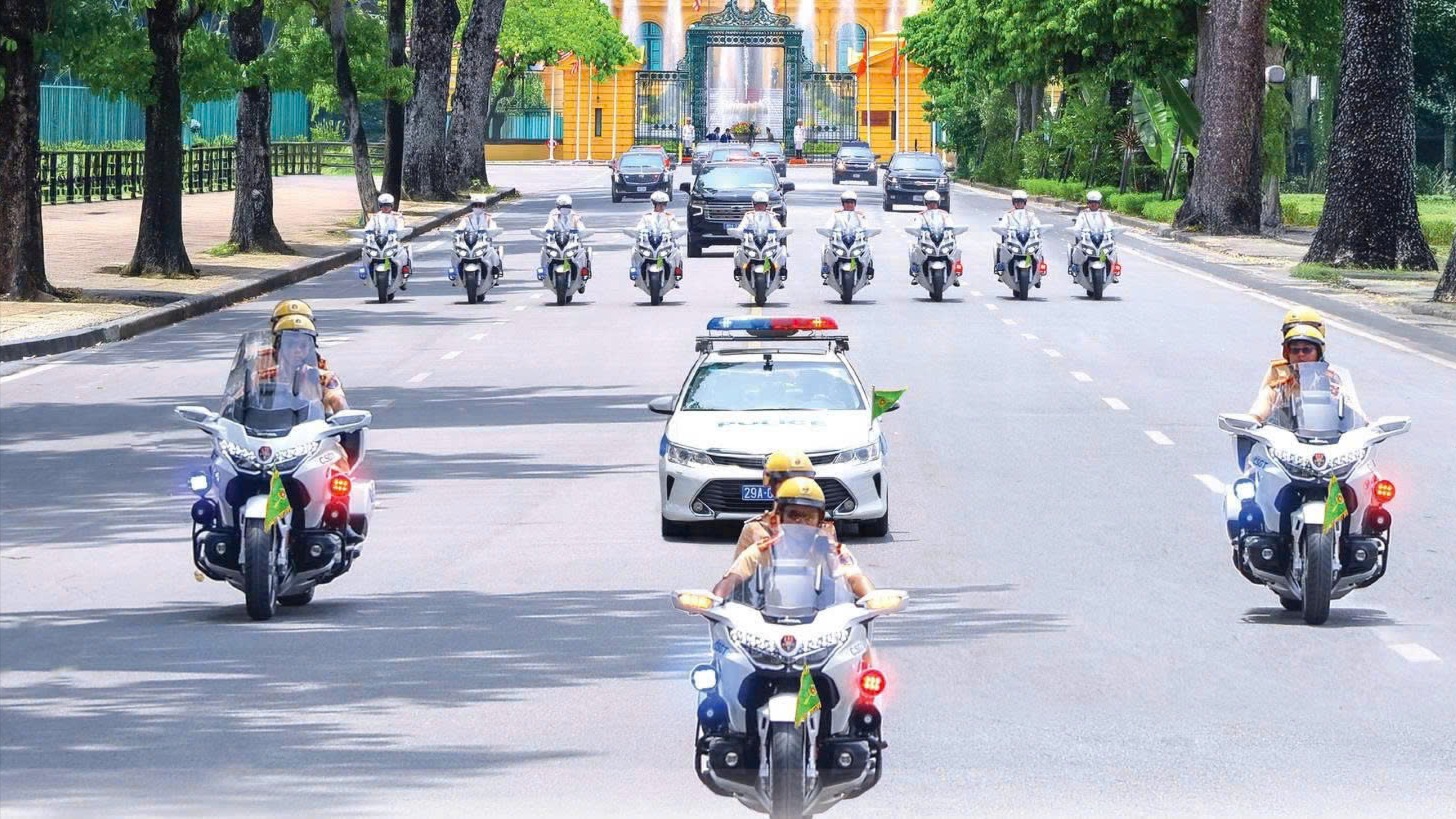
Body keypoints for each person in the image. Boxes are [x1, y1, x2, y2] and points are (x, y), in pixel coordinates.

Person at [711, 478, 874, 600]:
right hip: (766, 623)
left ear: (819, 521)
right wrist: (715, 600)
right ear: (780, 518)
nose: (801, 522)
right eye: (794, 515)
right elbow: (733, 578)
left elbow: (855, 578)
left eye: (809, 516)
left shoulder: (832, 549)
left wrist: (872, 598)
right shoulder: (763, 548)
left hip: (823, 625)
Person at [732, 450, 835, 558]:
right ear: (770, 483)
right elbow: (742, 567)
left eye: (803, 481)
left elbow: (835, 565)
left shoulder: (824, 530)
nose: (795, 486)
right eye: (786, 481)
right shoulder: (755, 529)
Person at [260, 314, 348, 415]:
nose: (297, 350)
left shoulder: (324, 378)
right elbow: (245, 404)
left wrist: (345, 416)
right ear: (279, 347)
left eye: (303, 345)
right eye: (290, 345)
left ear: (310, 349)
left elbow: (338, 400)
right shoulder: (262, 378)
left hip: (314, 425)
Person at [540, 194, 593, 292]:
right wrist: (544, 233)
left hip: (572, 242)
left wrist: (583, 232)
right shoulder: (553, 216)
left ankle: (584, 274)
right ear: (558, 207)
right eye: (562, 207)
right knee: (544, 251)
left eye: (567, 207)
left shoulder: (575, 216)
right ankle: (544, 273)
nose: (565, 209)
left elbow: (581, 228)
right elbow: (548, 227)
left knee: (583, 253)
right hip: (557, 242)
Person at [821, 189, 873, 281]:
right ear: (843, 204)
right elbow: (828, 225)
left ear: (855, 204)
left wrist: (868, 231)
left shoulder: (860, 215)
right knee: (826, 249)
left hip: (854, 243)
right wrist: (827, 231)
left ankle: (869, 269)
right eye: (847, 202)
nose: (849, 204)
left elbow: (866, 227)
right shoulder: (836, 215)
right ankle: (826, 269)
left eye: (852, 202)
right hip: (840, 242)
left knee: (868, 249)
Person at [364, 193, 412, 289]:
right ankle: (366, 276)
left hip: (393, 242)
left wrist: (399, 232)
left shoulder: (397, 216)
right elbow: (368, 228)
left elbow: (400, 227)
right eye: (383, 205)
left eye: (388, 205)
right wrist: (367, 233)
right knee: (365, 252)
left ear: (391, 205)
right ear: (380, 206)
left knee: (404, 253)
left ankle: (404, 274)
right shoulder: (375, 217)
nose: (385, 207)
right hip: (378, 242)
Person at [993, 189, 1044, 275]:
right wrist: (1002, 229)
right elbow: (1003, 225)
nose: (1019, 203)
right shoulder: (1008, 215)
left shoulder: (1030, 214)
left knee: (1038, 249)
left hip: (1027, 240)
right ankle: (1000, 268)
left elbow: (1037, 224)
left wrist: (1038, 229)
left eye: (1021, 201)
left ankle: (1039, 271)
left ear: (1025, 202)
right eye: (1017, 201)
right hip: (1013, 240)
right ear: (1013, 202)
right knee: (1000, 248)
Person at [909, 190, 955, 284]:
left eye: (934, 202)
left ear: (938, 203)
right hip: (926, 240)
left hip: (942, 239)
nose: (932, 205)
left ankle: (955, 275)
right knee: (914, 250)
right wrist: (915, 229)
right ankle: (916, 273)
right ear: (926, 203)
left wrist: (953, 229)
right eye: (930, 203)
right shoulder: (921, 215)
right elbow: (916, 225)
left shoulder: (945, 215)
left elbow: (951, 226)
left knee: (955, 249)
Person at [734, 190, 783, 279]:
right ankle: (739, 273)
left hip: (767, 242)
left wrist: (780, 232)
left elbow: (778, 228)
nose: (760, 207)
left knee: (782, 251)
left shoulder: (771, 216)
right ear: (753, 205)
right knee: (738, 251)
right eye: (757, 204)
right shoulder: (748, 216)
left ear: (766, 205)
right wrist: (738, 232)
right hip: (752, 242)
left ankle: (780, 275)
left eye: (762, 204)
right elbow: (741, 227)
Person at [1068, 190, 1114, 274]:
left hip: (1101, 241)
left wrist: (1109, 231)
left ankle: (1113, 273)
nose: (1093, 204)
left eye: (1096, 202)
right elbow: (1078, 226)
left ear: (1099, 203)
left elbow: (1110, 225)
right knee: (1076, 250)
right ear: (1088, 203)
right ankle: (1075, 268)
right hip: (1086, 241)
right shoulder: (1083, 214)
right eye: (1091, 202)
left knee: (1112, 251)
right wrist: (1078, 233)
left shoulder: (1103, 214)